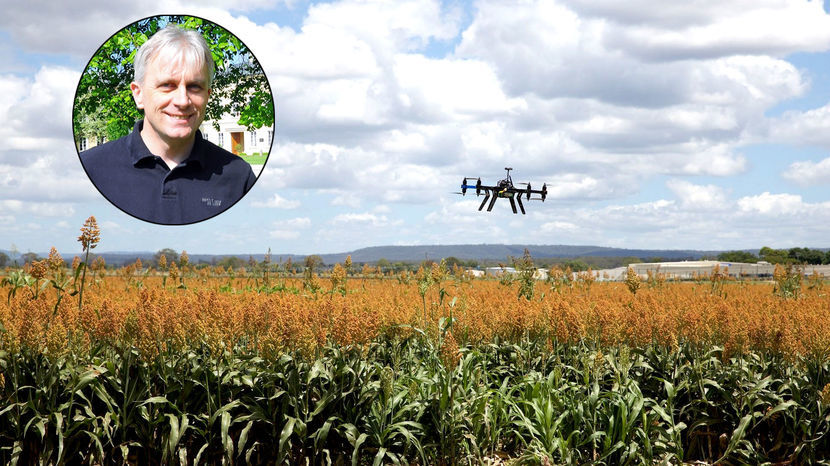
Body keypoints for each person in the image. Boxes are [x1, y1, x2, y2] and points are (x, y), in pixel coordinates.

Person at [80, 24, 257, 224]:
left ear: (207, 96)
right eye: (167, 85)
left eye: (194, 87)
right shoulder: (91, 168)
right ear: (138, 94)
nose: (182, 100)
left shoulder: (238, 176)